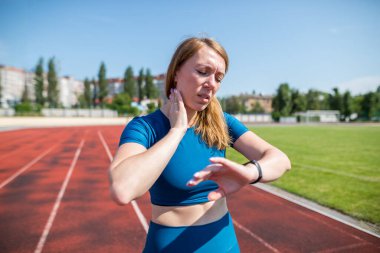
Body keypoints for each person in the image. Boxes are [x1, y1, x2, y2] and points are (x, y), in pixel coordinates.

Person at [109, 37, 291, 252]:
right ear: (176, 73)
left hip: (224, 241)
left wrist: (250, 173)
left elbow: (281, 160)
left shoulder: (222, 122)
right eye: (203, 72)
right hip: (171, 245)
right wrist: (177, 131)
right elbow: (123, 190)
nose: (212, 83)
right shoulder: (145, 127)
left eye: (219, 77)